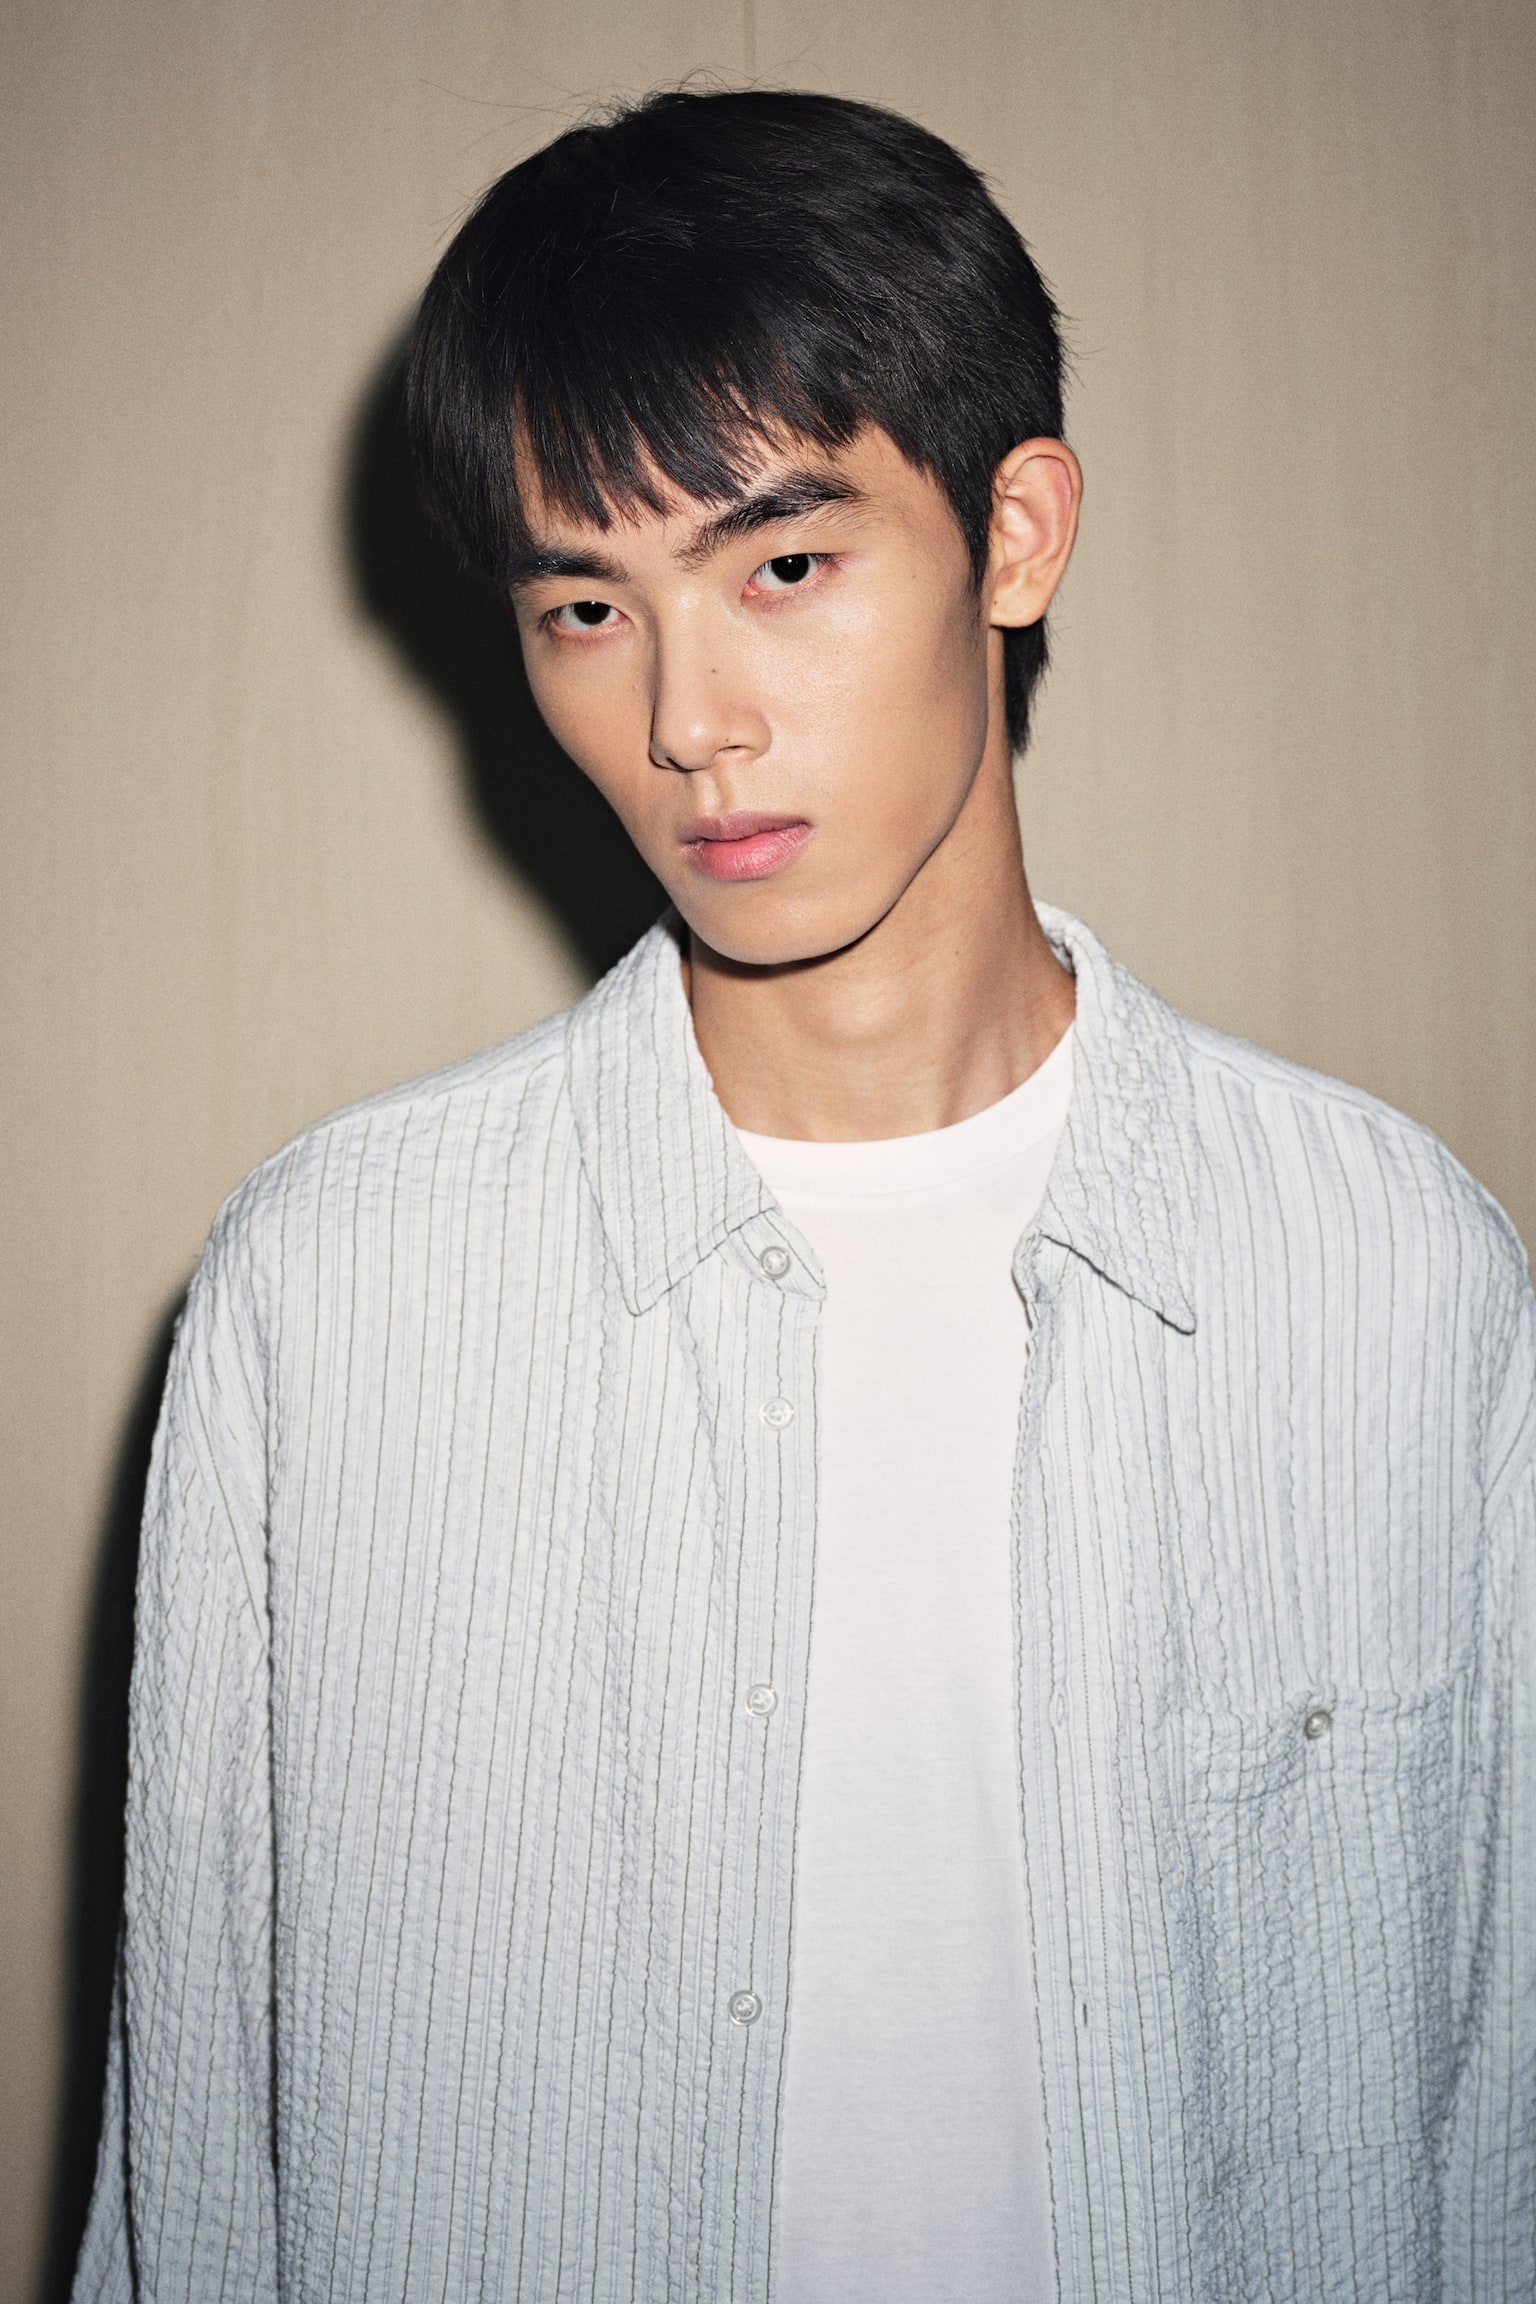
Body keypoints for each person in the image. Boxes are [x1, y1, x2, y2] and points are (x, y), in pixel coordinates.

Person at [75, 86, 1532, 2304]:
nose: (689, 722)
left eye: (782, 566)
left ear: (1016, 534)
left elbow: (1490, 2130)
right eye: (588, 605)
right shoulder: (328, 1299)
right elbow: (194, 2179)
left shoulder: (1389, 1268)